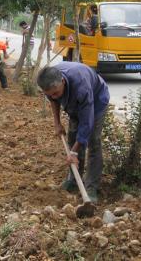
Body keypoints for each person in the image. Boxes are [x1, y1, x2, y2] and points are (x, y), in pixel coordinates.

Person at [37, 62, 110, 203]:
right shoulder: (50, 83)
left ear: (62, 81)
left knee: (93, 141)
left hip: (96, 101)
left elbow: (87, 122)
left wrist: (74, 152)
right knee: (72, 138)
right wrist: (57, 123)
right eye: (50, 94)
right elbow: (54, 100)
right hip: (74, 104)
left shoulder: (81, 86)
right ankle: (74, 179)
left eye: (56, 93)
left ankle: (91, 187)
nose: (55, 96)